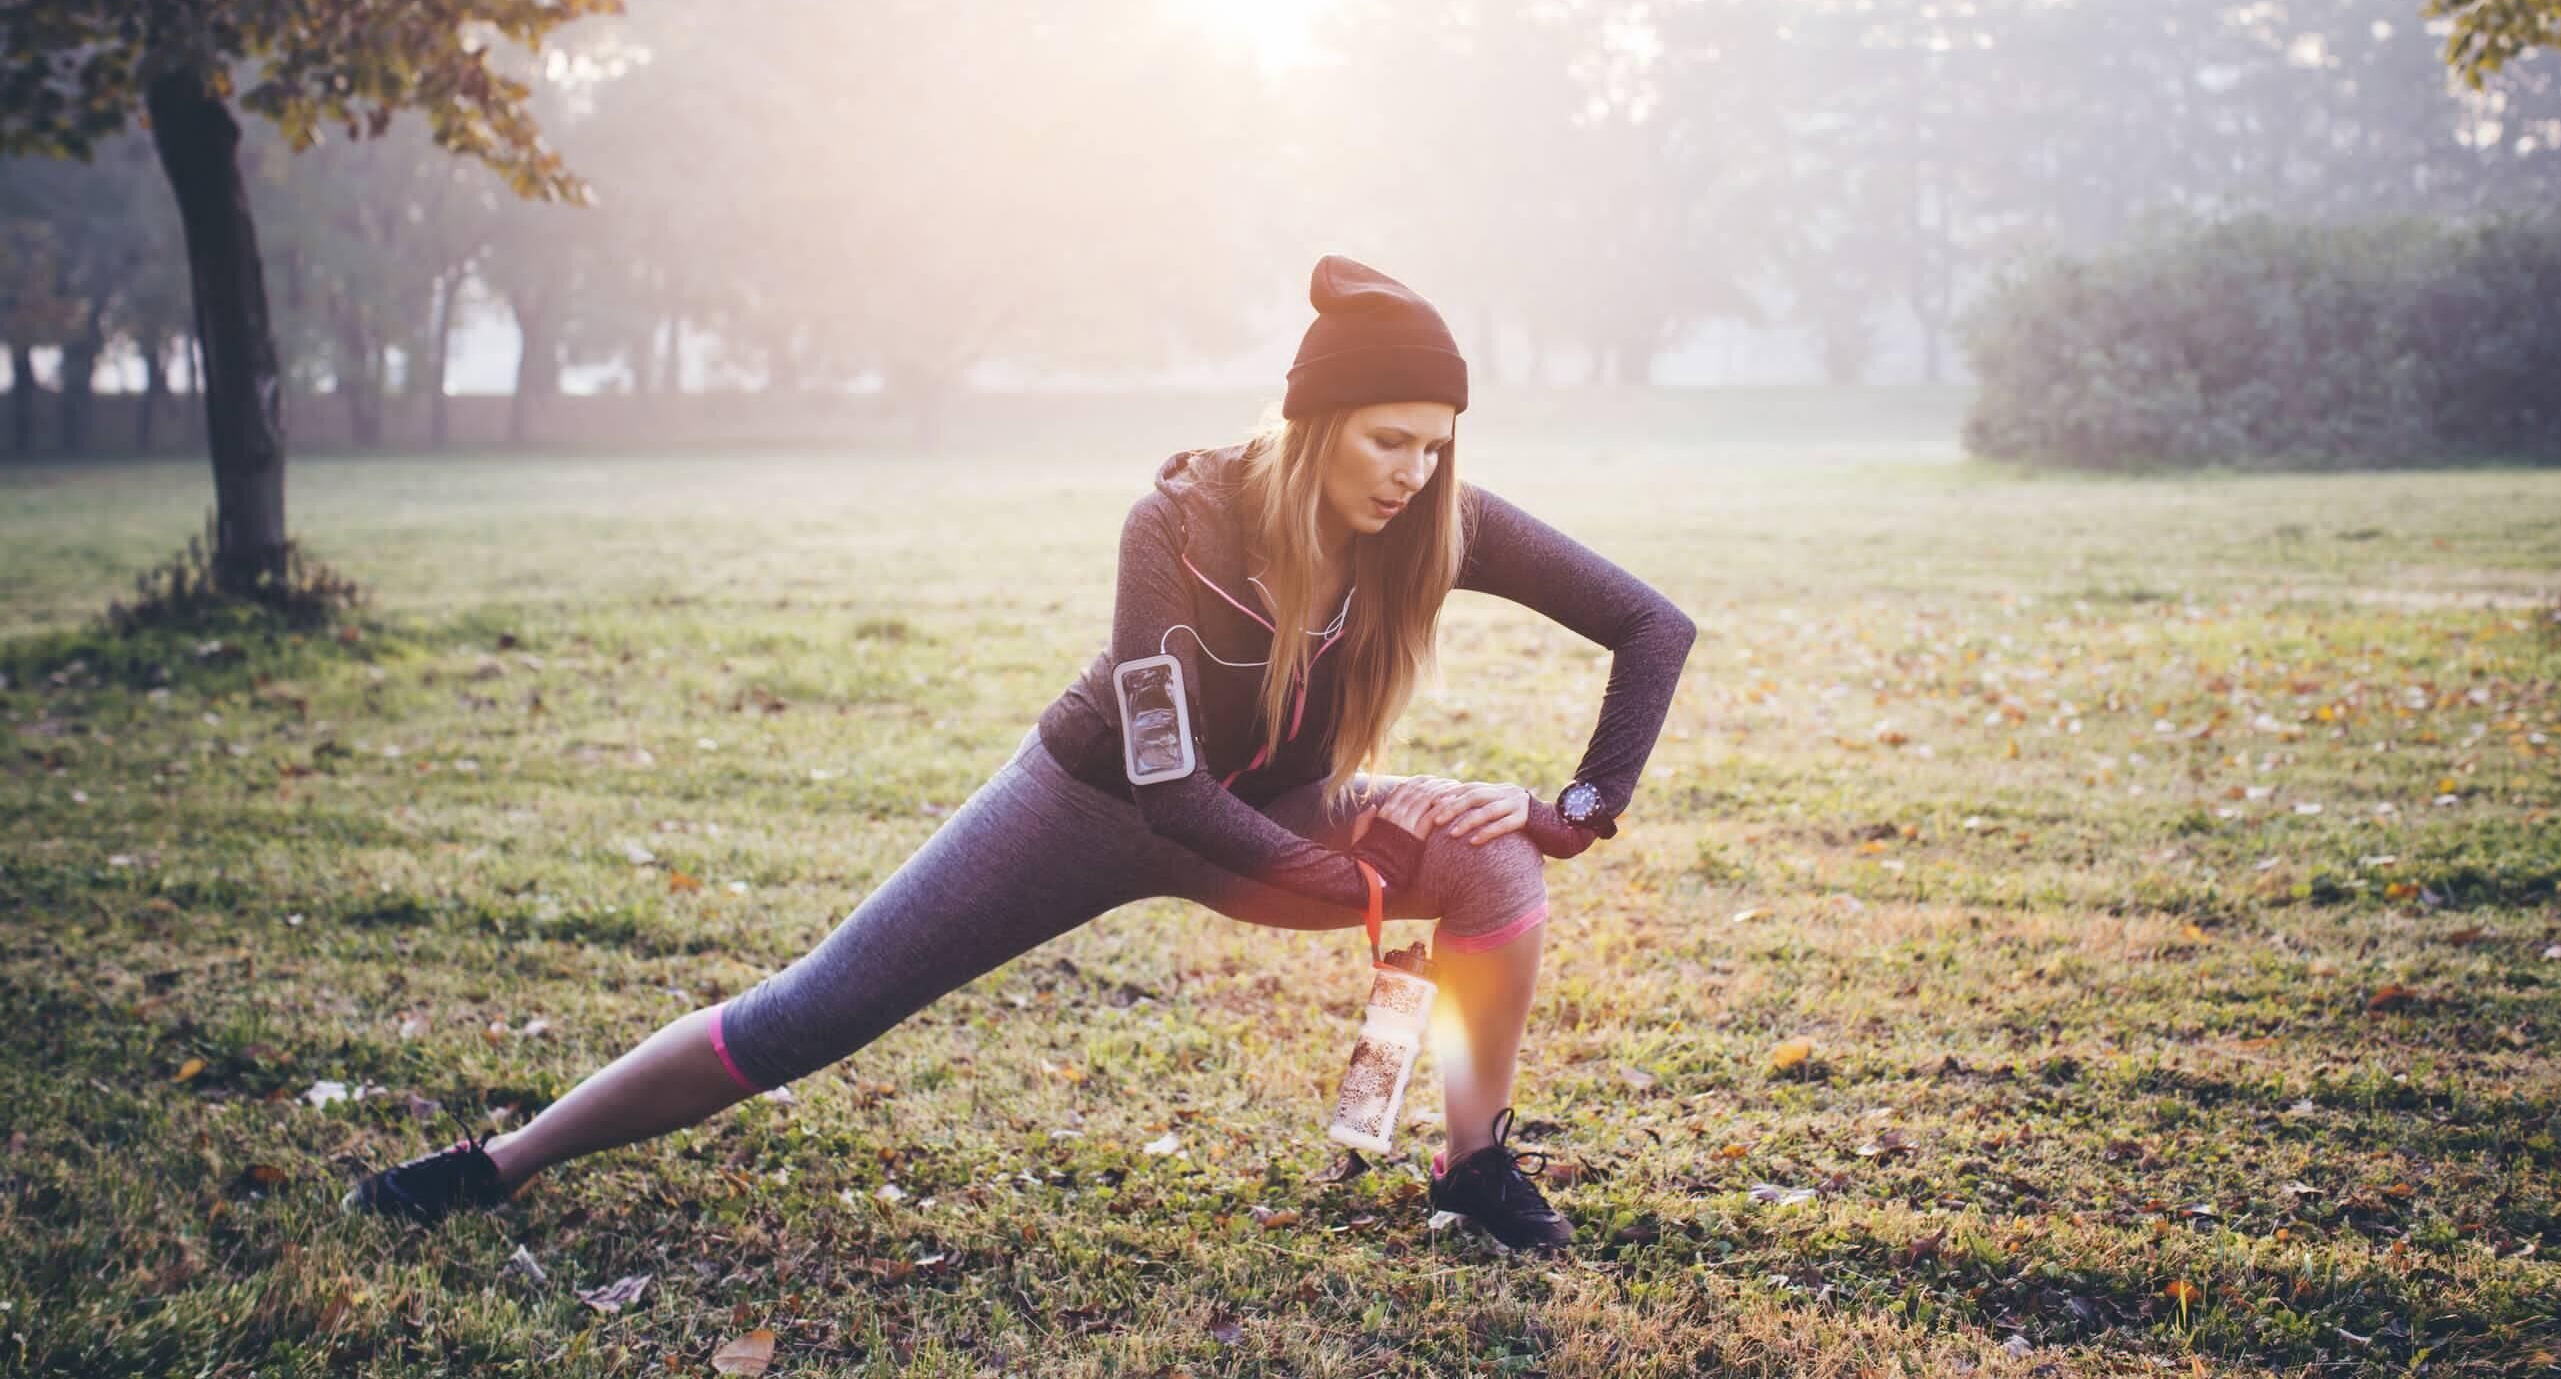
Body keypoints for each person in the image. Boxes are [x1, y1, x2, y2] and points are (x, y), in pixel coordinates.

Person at [348, 256, 1697, 1252]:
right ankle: (503, 1161)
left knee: (1496, 861)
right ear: (1313, 422)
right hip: (1087, 805)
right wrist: (1343, 885)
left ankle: (1474, 1167)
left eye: (1435, 446)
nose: (1413, 472)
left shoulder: (1436, 523)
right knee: (807, 1013)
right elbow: (1167, 787)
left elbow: (1652, 622)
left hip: (1277, 817)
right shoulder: (1181, 520)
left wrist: (1570, 805)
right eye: (1388, 439)